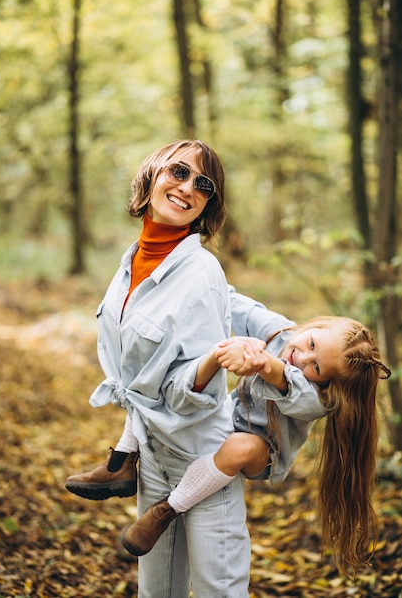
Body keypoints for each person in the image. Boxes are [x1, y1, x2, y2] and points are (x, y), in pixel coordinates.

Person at [82, 293, 391, 579]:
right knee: (164, 379)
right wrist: (195, 284)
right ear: (315, 326)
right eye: (311, 344)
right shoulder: (282, 333)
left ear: (326, 382)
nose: (303, 358)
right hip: (227, 416)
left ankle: (166, 510)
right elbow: (231, 300)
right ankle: (122, 461)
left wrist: (264, 362)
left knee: (239, 447)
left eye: (317, 367)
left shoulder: (319, 399)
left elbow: (288, 382)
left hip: (263, 450)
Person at [65, 140, 251, 598]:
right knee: (157, 591)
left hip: (203, 459)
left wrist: (209, 364)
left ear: (209, 204)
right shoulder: (131, 262)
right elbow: (134, 371)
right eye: (179, 172)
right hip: (151, 457)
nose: (188, 188)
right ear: (152, 175)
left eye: (203, 185)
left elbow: (195, 396)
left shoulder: (202, 272)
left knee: (218, 592)